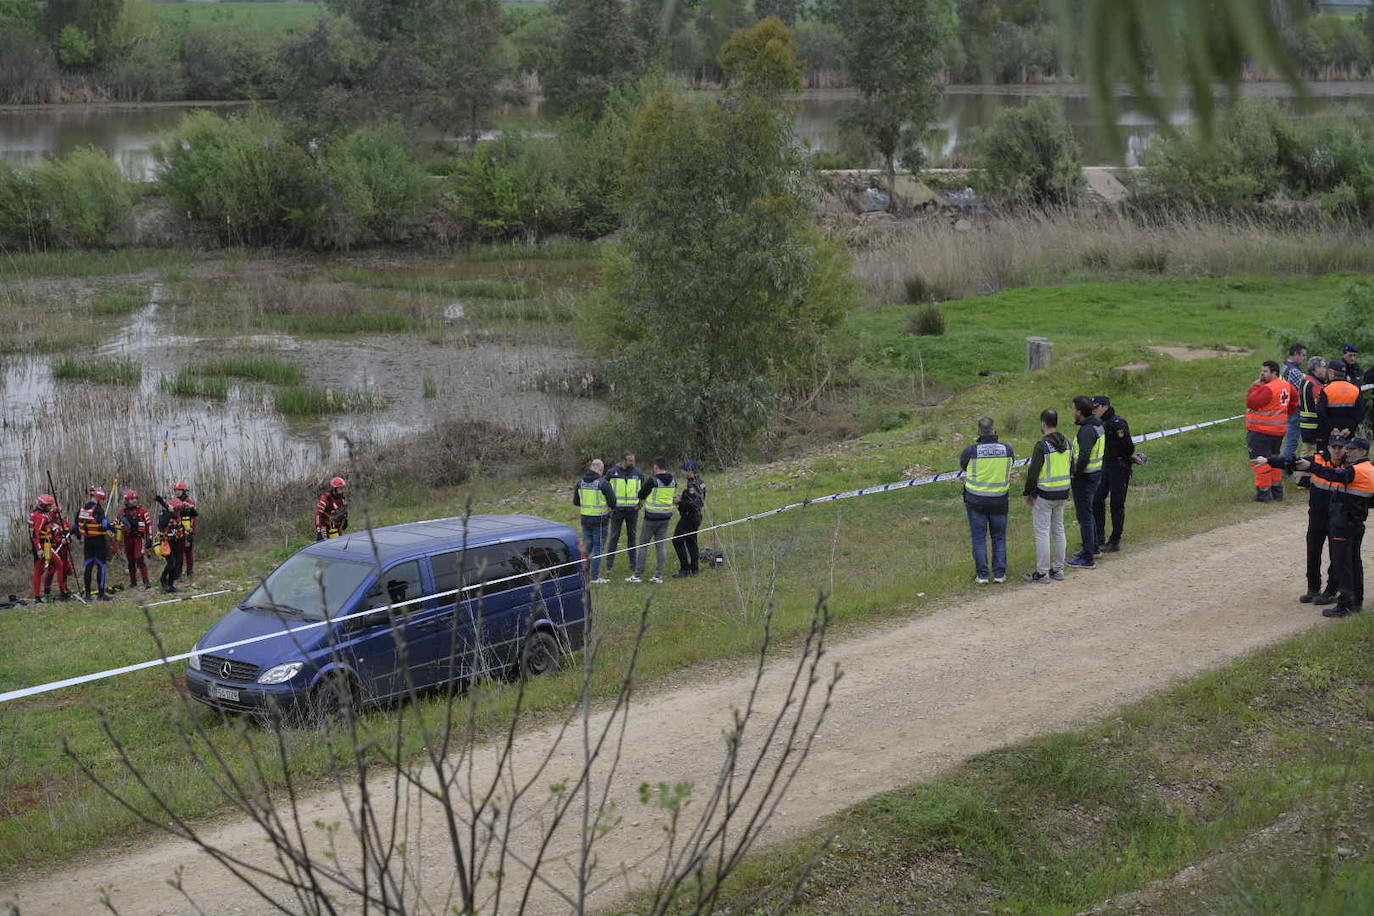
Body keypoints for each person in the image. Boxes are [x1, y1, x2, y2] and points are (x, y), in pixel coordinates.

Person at [1253, 437, 1345, 606]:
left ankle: (1331, 590)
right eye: (1335, 447)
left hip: (1338, 518)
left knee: (1336, 554)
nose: (1338, 450)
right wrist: (1267, 460)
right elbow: (1290, 462)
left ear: (1346, 449)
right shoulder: (1317, 459)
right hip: (1317, 515)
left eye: (1341, 447)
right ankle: (1313, 588)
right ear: (1329, 447)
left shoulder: (1349, 466)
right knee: (1313, 551)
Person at [1291, 436, 1373, 618]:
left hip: (1344, 523)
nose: (1347, 452)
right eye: (1348, 449)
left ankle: (1345, 605)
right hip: (1356, 523)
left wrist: (1312, 467)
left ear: (1362, 452)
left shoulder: (1355, 470)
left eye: (1352, 449)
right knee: (1354, 564)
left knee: (1343, 565)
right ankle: (1356, 603)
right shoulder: (1369, 469)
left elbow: (1334, 475)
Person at [959, 417, 1014, 584]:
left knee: (979, 538)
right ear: (995, 429)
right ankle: (999, 574)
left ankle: (982, 575)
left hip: (976, 501)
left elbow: (963, 466)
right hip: (999, 501)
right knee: (999, 537)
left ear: (978, 432)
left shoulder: (970, 451)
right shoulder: (1007, 449)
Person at [1022, 409, 1072, 584]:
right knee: (1058, 530)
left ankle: (1042, 573)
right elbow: (1071, 467)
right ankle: (1058, 569)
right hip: (1063, 492)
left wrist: (1028, 493)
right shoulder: (1068, 443)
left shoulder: (1042, 446)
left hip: (1045, 495)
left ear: (1043, 423)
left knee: (1042, 533)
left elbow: (1033, 473)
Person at [1090, 395, 1144, 553]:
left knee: (1116, 504)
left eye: (1096, 407)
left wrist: (1129, 457)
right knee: (1097, 499)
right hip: (1105, 466)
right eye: (1092, 408)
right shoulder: (1097, 424)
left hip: (1119, 466)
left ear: (1105, 406)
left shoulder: (1116, 423)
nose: (1094, 410)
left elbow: (1127, 446)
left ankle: (1115, 540)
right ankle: (1098, 536)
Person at [1246, 360, 1297, 502]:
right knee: (1274, 460)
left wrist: (1257, 385)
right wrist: (1285, 414)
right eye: (1261, 371)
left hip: (1260, 431)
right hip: (1278, 432)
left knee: (1259, 461)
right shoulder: (1287, 386)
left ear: (1274, 372)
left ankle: (1263, 494)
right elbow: (1294, 402)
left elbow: (1251, 402)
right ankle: (1277, 492)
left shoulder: (1267, 388)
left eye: (1265, 371)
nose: (1262, 374)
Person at [1068, 396, 1104, 568]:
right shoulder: (1097, 424)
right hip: (1095, 474)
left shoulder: (1087, 430)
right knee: (1089, 513)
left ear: (1080, 412)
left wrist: (1075, 473)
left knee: (1084, 517)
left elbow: (1084, 456)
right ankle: (1093, 548)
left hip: (1085, 478)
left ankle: (1088, 557)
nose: (1073, 412)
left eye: (1074, 409)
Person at [630, 457, 676, 584]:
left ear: (656, 467)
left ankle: (638, 575)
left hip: (651, 517)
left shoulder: (653, 481)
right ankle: (658, 576)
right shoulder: (673, 481)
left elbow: (641, 494)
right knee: (661, 546)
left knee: (643, 545)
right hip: (666, 517)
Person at [572, 458, 616, 584]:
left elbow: (576, 502)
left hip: (585, 519)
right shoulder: (603, 483)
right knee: (598, 549)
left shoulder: (580, 482)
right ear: (601, 470)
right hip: (600, 521)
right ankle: (595, 577)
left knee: (586, 549)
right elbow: (613, 502)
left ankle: (583, 574)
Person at [603, 453, 645, 577]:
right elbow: (604, 489)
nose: (632, 463)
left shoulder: (638, 473)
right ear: (623, 460)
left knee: (632, 536)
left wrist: (640, 504)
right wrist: (610, 506)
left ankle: (633, 563)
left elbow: (643, 490)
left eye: (633, 460)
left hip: (633, 510)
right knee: (614, 537)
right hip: (617, 510)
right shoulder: (612, 472)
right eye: (630, 460)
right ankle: (609, 565)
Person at [75, 487, 115, 601]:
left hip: (87, 542)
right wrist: (113, 529)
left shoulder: (82, 509)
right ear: (100, 498)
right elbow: (104, 524)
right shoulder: (98, 509)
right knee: (101, 566)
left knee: (88, 566)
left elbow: (75, 526)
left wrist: (79, 537)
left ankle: (87, 594)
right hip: (98, 541)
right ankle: (101, 595)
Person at [671, 461, 706, 579]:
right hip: (696, 516)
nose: (682, 473)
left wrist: (679, 501)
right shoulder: (700, 482)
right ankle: (694, 569)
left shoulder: (692, 485)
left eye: (684, 470)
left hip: (689, 516)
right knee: (691, 542)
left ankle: (685, 569)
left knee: (677, 540)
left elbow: (693, 503)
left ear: (689, 471)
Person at [1317, 361, 1361, 446]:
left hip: (1330, 434)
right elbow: (1360, 413)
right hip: (1348, 434)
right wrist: (1349, 429)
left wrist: (1332, 428)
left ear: (1331, 373)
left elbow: (1320, 412)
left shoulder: (1326, 389)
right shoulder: (1355, 389)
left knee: (1328, 457)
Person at [1280, 342, 1309, 469]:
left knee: (1288, 441)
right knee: (1292, 442)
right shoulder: (1293, 371)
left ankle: (1282, 469)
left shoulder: (1284, 367)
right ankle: (1286, 471)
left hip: (1285, 408)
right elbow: (1306, 389)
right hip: (1294, 409)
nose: (1304, 358)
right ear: (1296, 354)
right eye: (1303, 355)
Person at [119, 490, 154, 590]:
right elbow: (117, 524)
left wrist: (150, 538)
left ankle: (146, 581)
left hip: (138, 538)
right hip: (127, 538)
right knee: (130, 560)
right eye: (132, 499)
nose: (134, 501)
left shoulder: (142, 510)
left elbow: (149, 525)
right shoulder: (122, 512)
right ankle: (133, 582)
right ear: (127, 500)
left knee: (139, 558)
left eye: (135, 499)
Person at [155, 494, 188, 593]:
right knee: (171, 563)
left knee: (177, 563)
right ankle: (163, 579)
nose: (179, 512)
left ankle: (170, 585)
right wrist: (169, 511)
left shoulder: (177, 514)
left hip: (176, 541)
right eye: (177, 510)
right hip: (166, 542)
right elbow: (161, 525)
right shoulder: (165, 514)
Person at [1298, 357, 1329, 451]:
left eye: (1325, 367)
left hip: (1305, 424)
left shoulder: (1306, 380)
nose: (1325, 370)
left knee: (1306, 452)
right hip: (1314, 426)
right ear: (1314, 368)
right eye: (1322, 367)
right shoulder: (1315, 384)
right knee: (1314, 455)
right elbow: (1320, 405)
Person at [174, 482, 198, 580]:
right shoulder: (174, 501)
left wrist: (191, 530)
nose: (177, 492)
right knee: (178, 552)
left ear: (184, 491)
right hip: (177, 529)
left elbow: (194, 516)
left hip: (188, 529)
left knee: (188, 551)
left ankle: (190, 571)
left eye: (179, 490)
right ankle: (178, 572)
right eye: (176, 490)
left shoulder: (190, 501)